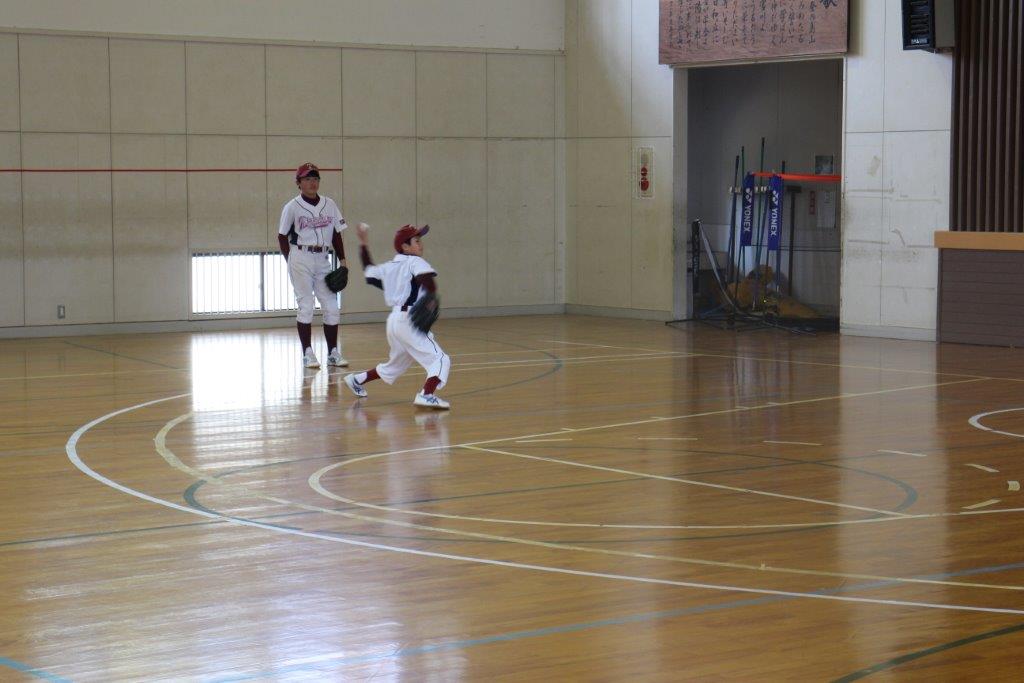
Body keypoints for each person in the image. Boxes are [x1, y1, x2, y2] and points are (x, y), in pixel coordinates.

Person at [343, 223, 451, 409]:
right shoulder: (415, 262)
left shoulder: (390, 267)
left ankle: (356, 379)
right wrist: (431, 299)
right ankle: (426, 395)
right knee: (440, 359)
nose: (421, 244)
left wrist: (363, 244)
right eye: (416, 241)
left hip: (394, 321)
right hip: (409, 320)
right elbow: (429, 283)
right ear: (405, 247)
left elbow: (369, 273)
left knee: (395, 365)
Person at [278, 162, 348, 369]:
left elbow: (336, 234)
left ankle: (333, 353)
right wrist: (291, 261)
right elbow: (282, 236)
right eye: (307, 179)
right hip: (300, 256)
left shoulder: (330, 204)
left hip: (323, 259)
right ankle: (308, 353)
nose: (312, 182)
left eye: (315, 178)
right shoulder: (292, 206)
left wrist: (343, 260)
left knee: (332, 306)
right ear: (298, 183)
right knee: (306, 305)